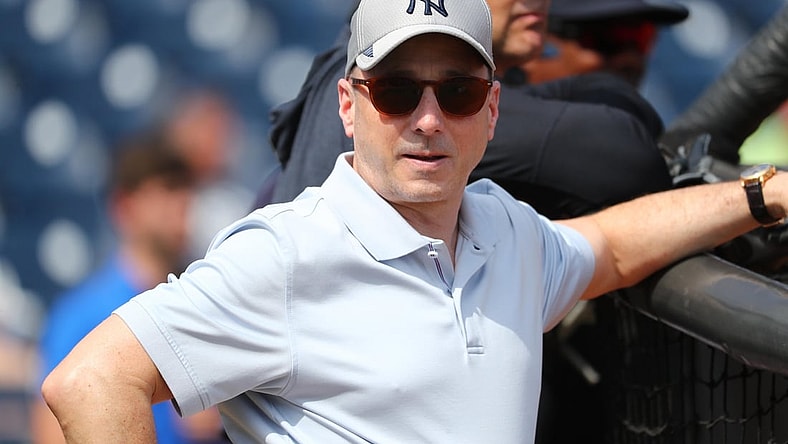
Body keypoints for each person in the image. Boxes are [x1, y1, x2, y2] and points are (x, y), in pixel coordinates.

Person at [39, 1, 788, 442]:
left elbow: (615, 246)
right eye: (397, 90)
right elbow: (92, 379)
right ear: (348, 105)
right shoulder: (290, 251)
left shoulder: (506, 229)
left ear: (492, 111)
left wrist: (759, 196)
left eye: (457, 92)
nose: (428, 119)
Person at [265, 0, 673, 220]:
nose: (428, 119)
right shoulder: (385, 93)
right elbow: (626, 156)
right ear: (348, 102)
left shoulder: (349, 55)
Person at [31, 131, 226, 444]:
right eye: (167, 190)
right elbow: (51, 431)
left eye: (186, 190)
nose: (181, 205)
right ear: (125, 205)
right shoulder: (82, 313)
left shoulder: (203, 301)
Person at [523, 0, 689, 87]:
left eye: (641, 38)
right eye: (607, 38)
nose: (630, 59)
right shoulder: (501, 139)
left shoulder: (639, 143)